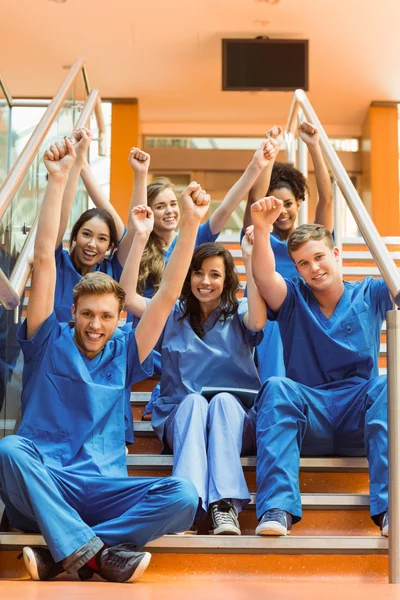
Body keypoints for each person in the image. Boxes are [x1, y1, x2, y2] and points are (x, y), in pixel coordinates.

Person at [0, 138, 214, 583]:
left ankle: (70, 552)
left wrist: (191, 224)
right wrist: (57, 181)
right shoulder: (47, 340)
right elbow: (44, 261)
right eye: (86, 314)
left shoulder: (126, 351)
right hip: (46, 481)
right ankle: (97, 553)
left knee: (183, 494)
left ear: (120, 318)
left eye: (105, 316)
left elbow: (169, 294)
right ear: (72, 313)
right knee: (9, 449)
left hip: (103, 487)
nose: (95, 325)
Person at [250, 197, 389, 537]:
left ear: (336, 254)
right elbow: (265, 277)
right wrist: (263, 226)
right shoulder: (294, 297)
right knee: (276, 386)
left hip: (358, 412)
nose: (314, 268)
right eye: (303, 263)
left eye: (319, 257)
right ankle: (276, 509)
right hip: (309, 413)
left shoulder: (370, 293)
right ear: (296, 269)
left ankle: (391, 511)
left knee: (388, 385)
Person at [121, 229, 266, 534]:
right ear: (188, 277)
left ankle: (223, 506)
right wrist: (138, 237)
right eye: (198, 273)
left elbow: (257, 320)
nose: (205, 281)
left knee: (224, 402)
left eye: (215, 274)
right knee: (195, 402)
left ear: (226, 281)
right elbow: (128, 298)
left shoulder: (240, 314)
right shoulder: (171, 314)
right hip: (183, 417)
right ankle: (185, 502)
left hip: (234, 422)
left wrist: (250, 256)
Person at [126, 140, 275, 419]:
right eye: (160, 206)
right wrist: (140, 176)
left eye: (173, 203)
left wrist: (256, 166)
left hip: (193, 354)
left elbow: (225, 209)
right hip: (163, 341)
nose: (169, 210)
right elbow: (128, 297)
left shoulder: (195, 242)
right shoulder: (139, 246)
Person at [243, 122, 333, 382]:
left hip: (302, 316)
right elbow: (254, 198)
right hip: (267, 320)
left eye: (288, 204)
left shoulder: (309, 242)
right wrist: (273, 150)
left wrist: (314, 146)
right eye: (275, 204)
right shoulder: (257, 236)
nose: (282, 211)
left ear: (298, 204)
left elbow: (326, 200)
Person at [53, 127, 128, 323]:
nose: (92, 244)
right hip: (56, 351)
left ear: (111, 245)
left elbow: (126, 237)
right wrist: (75, 163)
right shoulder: (56, 262)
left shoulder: (113, 270)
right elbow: (61, 215)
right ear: (75, 236)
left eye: (102, 238)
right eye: (86, 234)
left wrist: (83, 165)